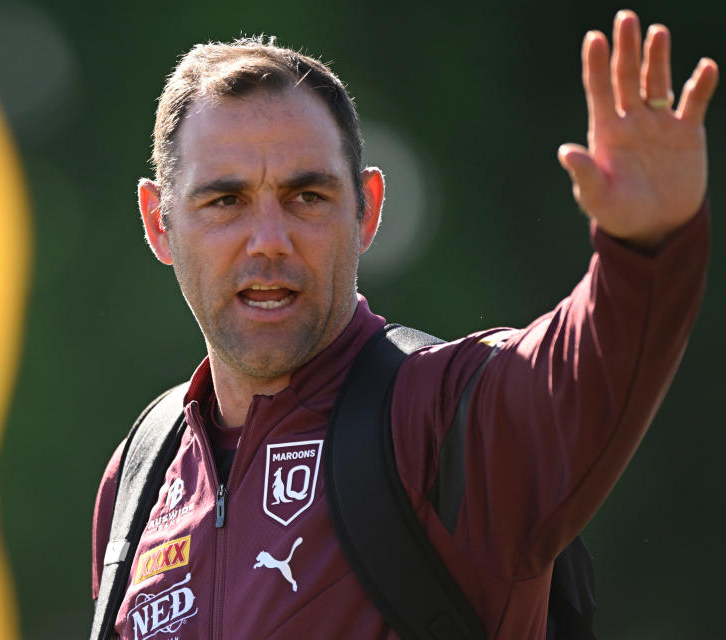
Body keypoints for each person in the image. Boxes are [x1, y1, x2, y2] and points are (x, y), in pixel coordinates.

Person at [91, 10, 717, 639]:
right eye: (226, 201)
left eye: (308, 196)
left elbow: (588, 369)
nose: (269, 241)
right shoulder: (141, 477)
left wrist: (645, 248)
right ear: (158, 222)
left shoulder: (441, 419)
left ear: (367, 211)